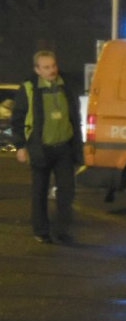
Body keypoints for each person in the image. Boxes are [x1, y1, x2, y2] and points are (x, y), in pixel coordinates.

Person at [11, 50, 83, 244]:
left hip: (64, 148)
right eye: (46, 67)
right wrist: (20, 146)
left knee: (66, 192)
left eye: (53, 66)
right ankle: (41, 231)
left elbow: (74, 116)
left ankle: (62, 231)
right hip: (40, 148)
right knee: (39, 192)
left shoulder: (66, 85)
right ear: (37, 70)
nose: (52, 70)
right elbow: (17, 118)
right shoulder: (29, 89)